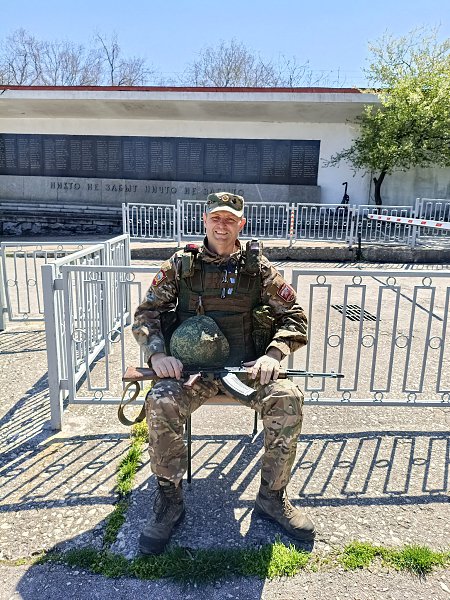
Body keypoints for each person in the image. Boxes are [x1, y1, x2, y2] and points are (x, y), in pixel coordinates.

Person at [132, 191, 315, 555]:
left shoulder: (258, 268)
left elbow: (294, 316)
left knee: (288, 399)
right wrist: (157, 355)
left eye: (230, 219)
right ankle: (169, 500)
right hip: (192, 372)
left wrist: (273, 355)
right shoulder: (181, 265)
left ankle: (272, 497)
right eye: (216, 218)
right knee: (161, 400)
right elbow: (146, 314)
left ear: (240, 224)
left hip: (245, 370)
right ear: (205, 220)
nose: (222, 225)